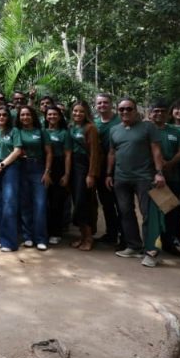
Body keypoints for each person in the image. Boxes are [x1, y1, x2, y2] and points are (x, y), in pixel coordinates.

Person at [107, 98, 166, 268]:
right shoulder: (114, 130)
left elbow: (156, 150)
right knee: (125, 212)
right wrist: (108, 174)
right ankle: (134, 246)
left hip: (144, 177)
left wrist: (159, 173)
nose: (125, 112)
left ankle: (151, 251)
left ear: (135, 110)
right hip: (121, 177)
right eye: (121, 109)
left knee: (148, 214)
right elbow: (111, 153)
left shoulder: (148, 127)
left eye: (128, 109)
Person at [149, 100, 180, 255]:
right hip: (150, 176)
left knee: (169, 211)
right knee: (151, 213)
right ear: (150, 113)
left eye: (163, 111)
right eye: (156, 110)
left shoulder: (174, 131)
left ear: (167, 114)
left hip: (171, 176)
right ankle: (151, 244)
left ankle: (168, 242)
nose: (159, 114)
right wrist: (158, 164)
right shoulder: (146, 130)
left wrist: (169, 163)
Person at [0, 108, 23, 252]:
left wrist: (1, 165)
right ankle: (1, 237)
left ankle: (10, 242)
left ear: (8, 117)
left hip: (10, 168)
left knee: (9, 203)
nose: (1, 117)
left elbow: (17, 150)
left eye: (4, 115)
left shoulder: (14, 131)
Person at [68, 101, 102, 251]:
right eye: (75, 111)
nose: (77, 114)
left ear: (86, 113)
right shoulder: (71, 127)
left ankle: (89, 237)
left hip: (84, 167)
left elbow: (95, 152)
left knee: (85, 203)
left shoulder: (91, 128)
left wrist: (91, 174)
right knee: (77, 202)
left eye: (81, 111)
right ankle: (82, 236)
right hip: (73, 167)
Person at [17, 106, 51, 251]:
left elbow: (49, 153)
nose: (25, 117)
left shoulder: (41, 131)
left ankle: (41, 238)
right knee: (25, 205)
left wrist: (47, 172)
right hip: (22, 168)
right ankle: (28, 237)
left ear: (33, 116)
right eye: (22, 115)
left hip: (38, 169)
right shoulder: (17, 132)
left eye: (28, 114)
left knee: (40, 204)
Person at [93, 93, 121, 246]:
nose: (102, 105)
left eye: (105, 103)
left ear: (111, 104)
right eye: (99, 103)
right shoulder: (95, 123)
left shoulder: (119, 120)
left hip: (119, 167)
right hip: (100, 167)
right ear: (96, 106)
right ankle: (111, 233)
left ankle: (125, 235)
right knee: (106, 202)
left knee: (121, 202)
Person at [43, 106, 72, 246]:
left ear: (60, 117)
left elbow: (68, 155)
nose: (52, 117)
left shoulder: (64, 133)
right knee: (44, 201)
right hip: (43, 166)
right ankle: (44, 230)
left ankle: (56, 232)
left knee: (56, 201)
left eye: (55, 114)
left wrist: (66, 174)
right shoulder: (42, 131)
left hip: (59, 166)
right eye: (49, 114)